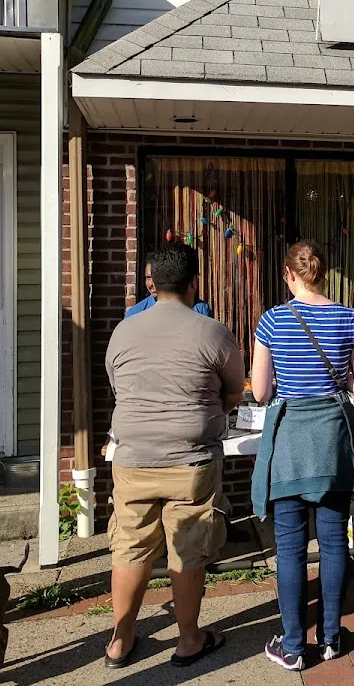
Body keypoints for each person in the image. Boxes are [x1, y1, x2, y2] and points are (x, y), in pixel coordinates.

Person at [103, 244, 246, 669]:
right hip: (192, 460)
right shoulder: (212, 332)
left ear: (153, 282)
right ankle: (189, 640)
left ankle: (119, 642)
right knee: (188, 550)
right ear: (193, 283)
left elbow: (117, 386)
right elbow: (234, 391)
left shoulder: (123, 331)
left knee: (129, 547)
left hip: (132, 458)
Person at [249, 240, 354, 672]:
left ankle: (292, 647)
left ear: (289, 274)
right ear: (324, 273)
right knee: (334, 540)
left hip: (289, 443)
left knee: (290, 548)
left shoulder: (272, 320)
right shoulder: (348, 317)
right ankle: (331, 639)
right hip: (332, 443)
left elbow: (261, 392)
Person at [125, 260, 213, 318]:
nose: (151, 284)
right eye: (148, 278)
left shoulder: (200, 309)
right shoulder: (135, 313)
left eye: (157, 278)